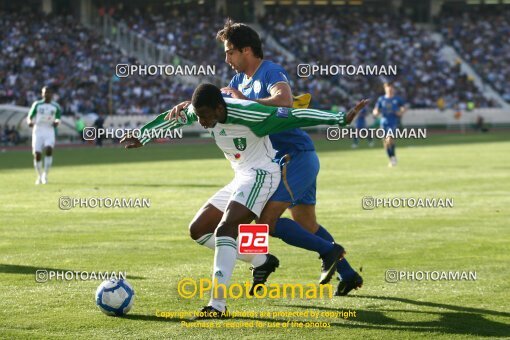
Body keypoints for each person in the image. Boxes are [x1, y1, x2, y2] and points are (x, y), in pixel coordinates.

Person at [121, 83, 368, 318]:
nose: (203, 122)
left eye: (205, 116)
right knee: (198, 230)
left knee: (228, 229)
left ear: (220, 108)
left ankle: (216, 305)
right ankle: (261, 259)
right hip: (241, 176)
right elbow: (175, 117)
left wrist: (338, 119)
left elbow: (293, 116)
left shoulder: (250, 112)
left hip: (263, 173)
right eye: (199, 117)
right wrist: (143, 135)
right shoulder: (202, 109)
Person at [167, 20, 363, 296]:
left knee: (264, 222)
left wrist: (246, 102)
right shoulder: (238, 81)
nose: (227, 58)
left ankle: (316, 253)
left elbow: (284, 101)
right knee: (306, 224)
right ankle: (348, 274)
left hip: (295, 158)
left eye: (230, 52)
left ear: (247, 50)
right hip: (282, 162)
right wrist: (189, 105)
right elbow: (217, 102)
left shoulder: (269, 71)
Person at [27, 86, 61, 184]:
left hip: (49, 130)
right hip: (38, 130)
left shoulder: (56, 106)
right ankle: (39, 175)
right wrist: (29, 122)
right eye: (45, 92)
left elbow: (58, 118)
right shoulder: (37, 104)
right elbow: (30, 116)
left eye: (49, 92)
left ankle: (45, 175)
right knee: (37, 154)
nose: (47, 94)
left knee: (49, 149)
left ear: (52, 94)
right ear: (42, 94)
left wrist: (57, 122)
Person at [373, 82, 406, 167]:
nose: (390, 89)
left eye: (391, 88)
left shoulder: (397, 99)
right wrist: (375, 112)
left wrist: (401, 112)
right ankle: (392, 158)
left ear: (393, 89)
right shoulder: (381, 99)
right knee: (385, 143)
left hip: (393, 122)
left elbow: (403, 108)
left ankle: (393, 158)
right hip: (384, 122)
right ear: (385, 89)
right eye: (388, 88)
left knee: (389, 139)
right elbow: (376, 109)